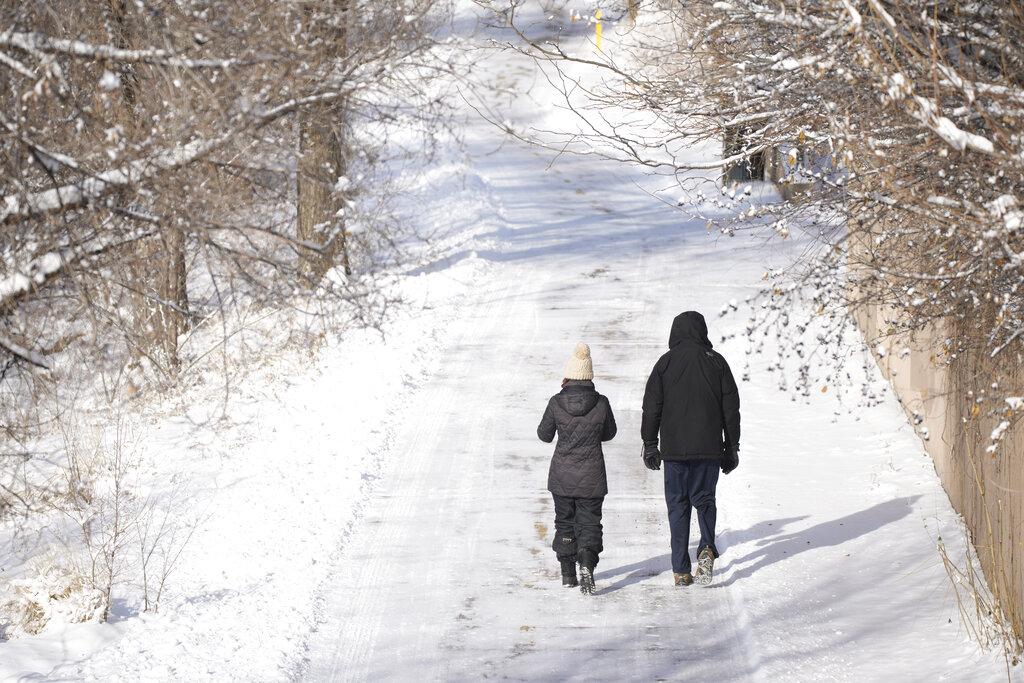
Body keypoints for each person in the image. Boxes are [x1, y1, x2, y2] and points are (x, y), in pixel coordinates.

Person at [641, 311, 740, 587]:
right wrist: (732, 446)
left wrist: (650, 443)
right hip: (709, 449)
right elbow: (731, 408)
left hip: (674, 451)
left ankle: (681, 570)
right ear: (702, 331)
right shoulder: (717, 362)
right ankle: (706, 547)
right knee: (705, 499)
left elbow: (651, 407)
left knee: (678, 505)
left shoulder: (665, 363)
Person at [537, 342, 617, 595]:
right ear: (589, 375)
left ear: (569, 374)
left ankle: (568, 575)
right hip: (592, 476)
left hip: (561, 476)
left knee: (565, 523)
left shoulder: (556, 402)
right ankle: (587, 565)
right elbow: (610, 433)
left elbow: (544, 435)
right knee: (590, 523)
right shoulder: (601, 402)